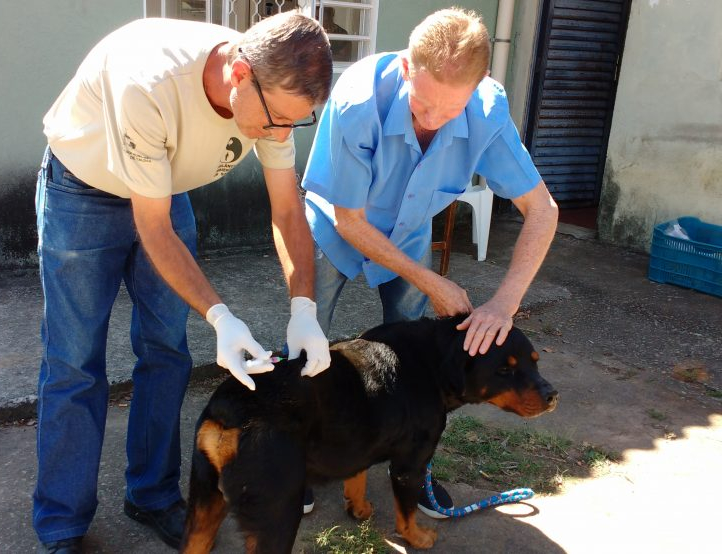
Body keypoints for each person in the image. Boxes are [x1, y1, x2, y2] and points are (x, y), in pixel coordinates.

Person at [33, 11, 332, 553]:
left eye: (297, 122)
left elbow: (289, 211)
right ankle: (62, 524)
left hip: (164, 186)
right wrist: (221, 315)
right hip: (83, 190)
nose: (280, 135)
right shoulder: (149, 83)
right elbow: (153, 227)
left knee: (167, 351)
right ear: (239, 74)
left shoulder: (273, 98)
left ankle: (151, 495)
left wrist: (304, 307)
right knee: (74, 363)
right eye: (274, 121)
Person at [301, 8, 558, 517]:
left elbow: (543, 211)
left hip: (408, 231)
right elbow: (350, 222)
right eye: (422, 105)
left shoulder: (487, 109)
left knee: (422, 363)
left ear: (479, 85)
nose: (432, 120)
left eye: (449, 110)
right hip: (335, 227)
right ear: (403, 68)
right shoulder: (357, 100)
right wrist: (429, 279)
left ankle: (414, 465)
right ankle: (300, 456)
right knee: (307, 346)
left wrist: (504, 304)